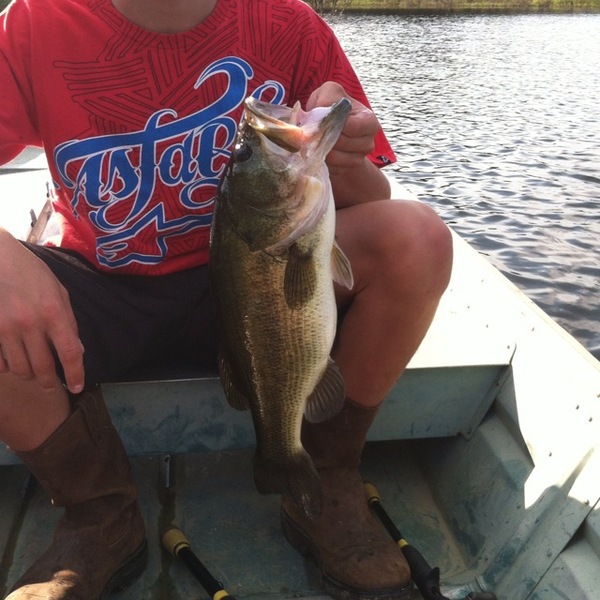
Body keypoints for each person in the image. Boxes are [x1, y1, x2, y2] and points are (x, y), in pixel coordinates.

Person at [0, 0, 453, 598]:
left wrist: (340, 156)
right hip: (101, 291)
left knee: (417, 240)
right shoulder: (32, 25)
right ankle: (98, 516)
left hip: (257, 291)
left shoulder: (290, 25)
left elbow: (373, 195)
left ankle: (325, 477)